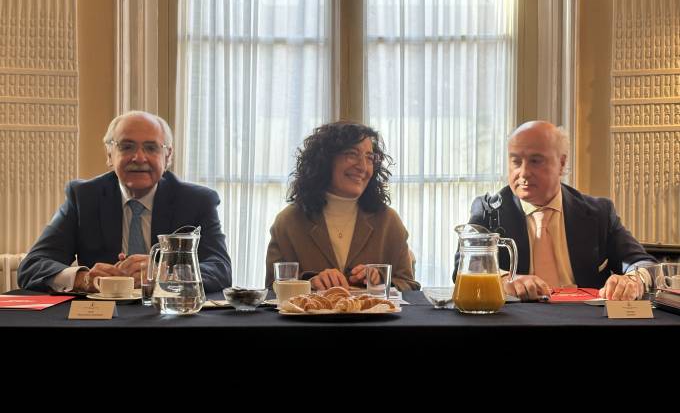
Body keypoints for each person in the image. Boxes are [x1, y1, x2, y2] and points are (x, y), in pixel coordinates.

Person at [18, 110, 232, 294]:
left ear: (167, 156)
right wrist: (84, 279)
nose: (139, 158)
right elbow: (32, 266)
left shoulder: (196, 201)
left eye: (151, 148)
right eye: (127, 147)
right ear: (109, 154)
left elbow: (220, 269)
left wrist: (164, 272)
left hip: (169, 314)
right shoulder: (84, 197)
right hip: (101, 317)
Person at [453, 120, 656, 301]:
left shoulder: (598, 213)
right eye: (516, 161)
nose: (523, 173)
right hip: (518, 321)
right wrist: (506, 279)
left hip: (586, 320)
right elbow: (463, 266)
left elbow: (643, 263)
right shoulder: (489, 210)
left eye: (535, 161)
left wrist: (633, 280)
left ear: (561, 163)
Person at [265, 121, 419, 292]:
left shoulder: (388, 221)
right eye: (352, 154)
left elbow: (410, 286)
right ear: (325, 160)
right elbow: (272, 289)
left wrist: (381, 281)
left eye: (369, 157)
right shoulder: (288, 222)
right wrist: (310, 284)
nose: (362, 166)